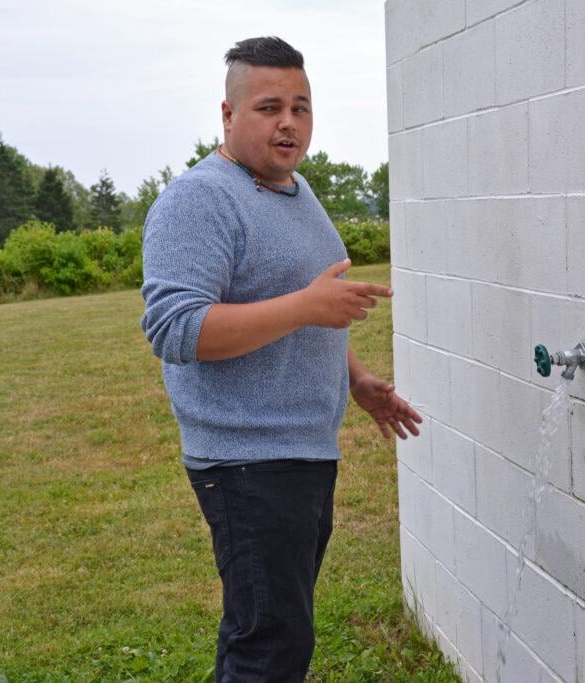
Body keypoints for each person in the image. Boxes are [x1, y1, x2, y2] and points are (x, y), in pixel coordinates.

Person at [139, 36, 423, 682]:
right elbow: (177, 329)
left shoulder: (296, 190)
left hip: (301, 454)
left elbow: (306, 304)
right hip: (246, 461)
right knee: (271, 646)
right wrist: (304, 307)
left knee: (268, 633)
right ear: (228, 114)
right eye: (269, 107)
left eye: (301, 107)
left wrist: (357, 380)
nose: (288, 123)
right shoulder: (199, 199)